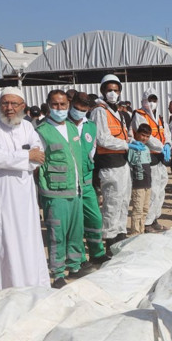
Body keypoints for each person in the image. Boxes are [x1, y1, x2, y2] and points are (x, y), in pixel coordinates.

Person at [0, 87, 50, 292]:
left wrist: (21, 157)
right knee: (3, 241)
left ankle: (31, 286)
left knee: (28, 240)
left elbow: (40, 155)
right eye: (5, 103)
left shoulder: (28, 127)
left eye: (13, 104)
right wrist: (26, 156)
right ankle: (5, 289)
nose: (9, 108)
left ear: (22, 106)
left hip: (24, 195)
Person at [35, 90, 87, 288]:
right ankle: (57, 273)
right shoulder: (41, 131)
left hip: (76, 190)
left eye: (63, 105)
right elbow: (37, 164)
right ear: (48, 105)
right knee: (57, 233)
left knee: (76, 231)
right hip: (55, 192)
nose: (59, 108)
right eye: (55, 105)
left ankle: (74, 266)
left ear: (68, 105)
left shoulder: (73, 129)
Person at [91, 74, 137, 252]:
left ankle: (120, 234)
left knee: (124, 201)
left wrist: (132, 142)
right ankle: (110, 239)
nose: (112, 93)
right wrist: (126, 144)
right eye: (109, 90)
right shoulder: (99, 111)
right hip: (109, 164)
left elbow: (124, 134)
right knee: (112, 202)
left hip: (122, 162)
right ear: (103, 91)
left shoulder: (117, 111)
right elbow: (102, 138)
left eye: (116, 90)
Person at [67, 93, 108, 266]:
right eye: (76, 108)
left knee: (95, 219)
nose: (79, 112)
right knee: (75, 223)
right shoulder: (63, 125)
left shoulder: (90, 126)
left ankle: (97, 253)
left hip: (87, 181)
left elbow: (92, 152)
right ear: (71, 105)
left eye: (83, 110)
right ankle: (79, 259)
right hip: (69, 181)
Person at [131, 89, 170, 233]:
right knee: (152, 191)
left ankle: (154, 219)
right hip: (149, 156)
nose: (152, 103)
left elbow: (166, 133)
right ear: (144, 101)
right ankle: (147, 222)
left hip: (160, 157)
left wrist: (168, 144)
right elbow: (147, 137)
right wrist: (162, 146)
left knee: (161, 190)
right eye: (149, 100)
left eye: (154, 100)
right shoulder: (139, 115)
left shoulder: (159, 118)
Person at [127, 124, 154, 237]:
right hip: (137, 184)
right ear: (136, 134)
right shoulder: (132, 148)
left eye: (147, 136)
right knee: (137, 209)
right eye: (142, 135)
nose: (144, 138)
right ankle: (135, 233)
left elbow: (148, 164)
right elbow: (129, 164)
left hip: (147, 183)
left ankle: (141, 232)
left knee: (145, 209)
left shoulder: (147, 149)